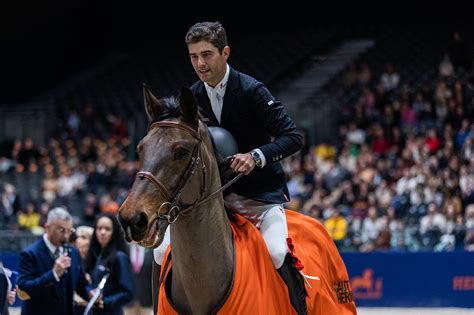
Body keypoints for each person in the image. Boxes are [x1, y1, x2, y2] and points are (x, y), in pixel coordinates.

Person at [154, 21, 306, 314]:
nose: (200, 63)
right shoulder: (192, 97)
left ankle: (298, 308)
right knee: (160, 251)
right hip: (211, 200)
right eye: (193, 56)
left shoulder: (252, 91)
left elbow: (293, 137)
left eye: (207, 54)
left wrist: (256, 156)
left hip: (257, 195)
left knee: (276, 252)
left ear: (225, 53)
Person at [17, 207, 94, 315]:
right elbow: (25, 288)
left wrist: (89, 293)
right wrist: (53, 274)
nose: (66, 236)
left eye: (69, 231)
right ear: (47, 228)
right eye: (62, 230)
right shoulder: (29, 253)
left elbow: (81, 284)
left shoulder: (74, 252)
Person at [84, 213, 134, 315]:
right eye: (99, 228)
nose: (102, 232)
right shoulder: (94, 255)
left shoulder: (120, 257)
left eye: (107, 229)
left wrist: (106, 302)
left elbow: (128, 292)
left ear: (114, 232)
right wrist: (89, 292)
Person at [71, 225, 94, 315]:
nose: (78, 241)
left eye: (84, 237)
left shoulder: (98, 262)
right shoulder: (70, 260)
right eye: (78, 237)